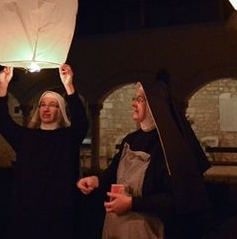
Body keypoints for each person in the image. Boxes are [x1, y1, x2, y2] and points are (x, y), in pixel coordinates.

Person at [77, 80, 209, 239]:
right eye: (134, 99)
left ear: (155, 105)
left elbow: (174, 200)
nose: (133, 104)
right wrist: (96, 180)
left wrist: (132, 203)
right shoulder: (130, 139)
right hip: (116, 228)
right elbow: (113, 173)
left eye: (139, 99)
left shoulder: (168, 148)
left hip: (147, 230)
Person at [0, 64, 88, 239]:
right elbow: (1, 121)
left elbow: (82, 121)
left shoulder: (68, 137)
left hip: (59, 214)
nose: (46, 108)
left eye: (52, 105)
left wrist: (69, 85)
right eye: (42, 104)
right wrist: (3, 86)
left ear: (61, 110)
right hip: (27, 212)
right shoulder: (26, 137)